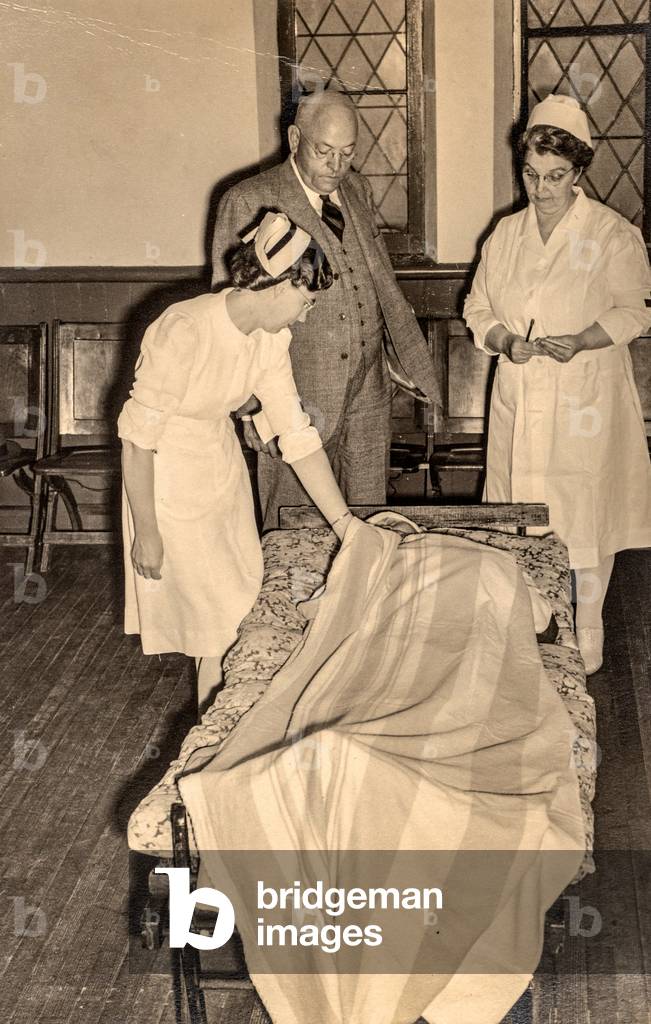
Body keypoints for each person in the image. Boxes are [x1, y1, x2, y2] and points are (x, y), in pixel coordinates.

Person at [118, 212, 354, 708]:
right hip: (167, 485)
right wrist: (148, 531)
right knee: (217, 628)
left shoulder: (271, 339)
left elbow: (297, 435)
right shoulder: (183, 328)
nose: (306, 315)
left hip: (220, 474)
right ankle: (213, 739)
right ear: (279, 286)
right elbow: (138, 441)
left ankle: (216, 734)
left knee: (239, 615)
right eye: (306, 301)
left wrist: (345, 524)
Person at [464, 93, 651, 675]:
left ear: (578, 172)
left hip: (586, 395)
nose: (541, 188)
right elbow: (477, 306)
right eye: (530, 174)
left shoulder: (611, 233)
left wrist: (585, 337)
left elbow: (635, 310)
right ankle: (537, 608)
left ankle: (588, 620)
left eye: (555, 176)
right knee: (523, 506)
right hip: (521, 390)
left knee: (586, 504)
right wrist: (503, 341)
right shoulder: (505, 235)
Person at [211, 88, 440, 530]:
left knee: (369, 520)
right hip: (295, 392)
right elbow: (229, 317)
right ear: (295, 139)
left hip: (368, 391)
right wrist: (252, 405)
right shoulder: (248, 200)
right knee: (295, 525)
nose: (336, 167)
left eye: (348, 153)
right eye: (323, 151)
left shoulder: (355, 188)